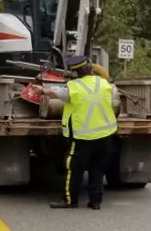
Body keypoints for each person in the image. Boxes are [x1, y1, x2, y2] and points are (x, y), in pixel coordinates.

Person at [38, 55, 120, 210]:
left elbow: (54, 93)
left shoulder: (73, 87)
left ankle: (70, 201)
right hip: (106, 135)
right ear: (91, 69)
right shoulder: (104, 84)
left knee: (74, 168)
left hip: (84, 136)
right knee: (98, 169)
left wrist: (42, 90)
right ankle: (95, 202)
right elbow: (110, 86)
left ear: (74, 73)